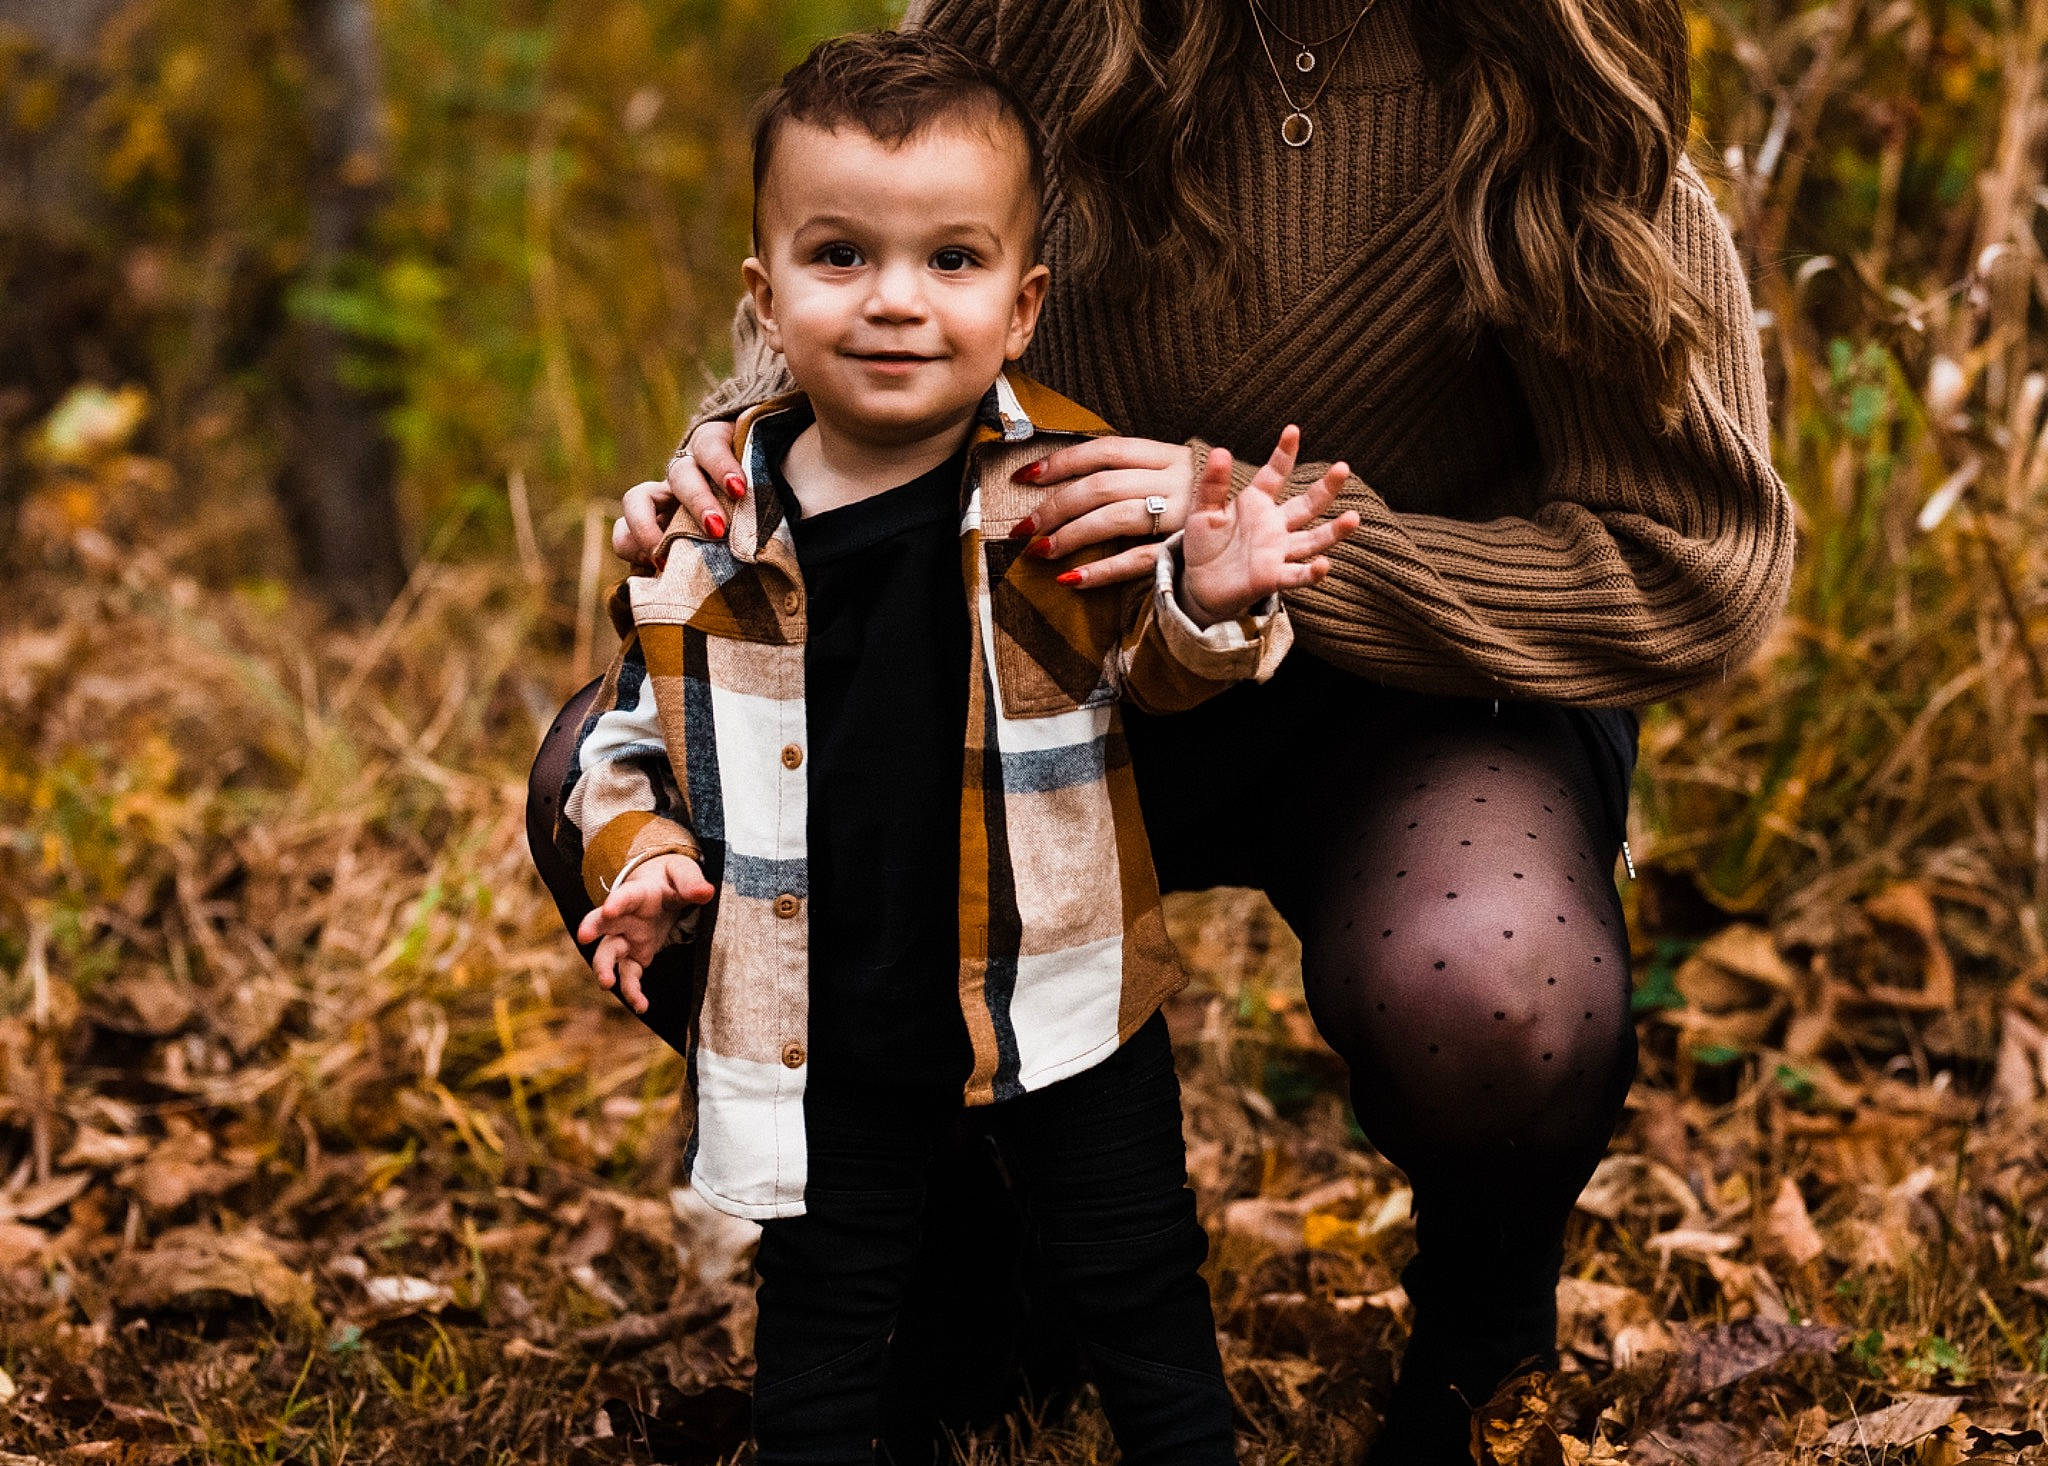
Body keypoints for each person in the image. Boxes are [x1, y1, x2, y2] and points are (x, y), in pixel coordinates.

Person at [537, 0, 1798, 1458]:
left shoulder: (1561, 82)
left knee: (1494, 985)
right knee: (603, 777)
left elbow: (1698, 566)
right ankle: (965, 1266)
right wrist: (740, 465)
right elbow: (877, 260)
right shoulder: (1035, 20)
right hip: (1040, 665)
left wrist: (1297, 545)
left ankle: (1479, 1353)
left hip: (1432, 705)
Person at [552, 30, 1360, 1464]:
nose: (895, 304)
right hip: (829, 1014)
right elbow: (628, 739)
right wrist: (651, 854)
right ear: (766, 293)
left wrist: (1214, 593)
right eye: (841, 256)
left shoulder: (1054, 489)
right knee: (822, 1311)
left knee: (1138, 1283)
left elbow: (1149, 674)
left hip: (1057, 988)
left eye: (952, 262)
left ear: (1024, 299)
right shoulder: (711, 536)